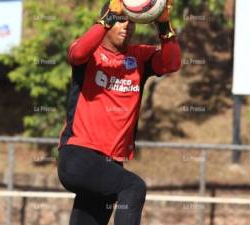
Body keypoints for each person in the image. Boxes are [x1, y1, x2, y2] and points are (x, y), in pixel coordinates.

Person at [57, 0, 181, 224]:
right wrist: (106, 19)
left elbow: (171, 63)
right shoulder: (90, 54)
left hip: (110, 164)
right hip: (78, 156)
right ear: (108, 21)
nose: (127, 26)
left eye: (130, 22)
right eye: (120, 21)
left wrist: (164, 26)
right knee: (133, 187)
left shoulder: (139, 57)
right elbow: (76, 54)